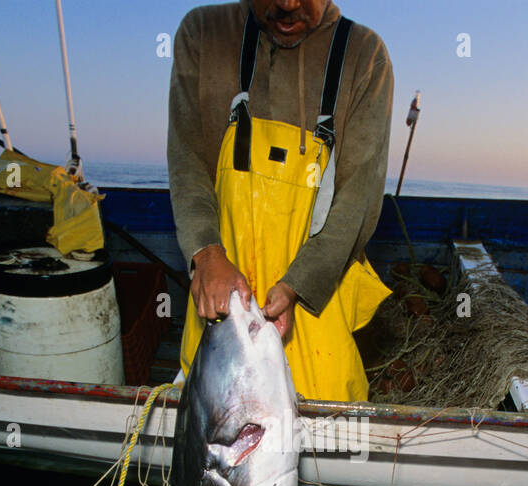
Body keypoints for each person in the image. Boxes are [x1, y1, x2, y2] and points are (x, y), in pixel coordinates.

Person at [168, 0, 394, 402]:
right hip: (222, 313)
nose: (288, 5)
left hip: (314, 307)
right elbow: (187, 160)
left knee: (326, 448)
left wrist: (296, 286)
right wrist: (207, 253)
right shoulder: (203, 33)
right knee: (219, 439)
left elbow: (356, 202)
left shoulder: (365, 56)